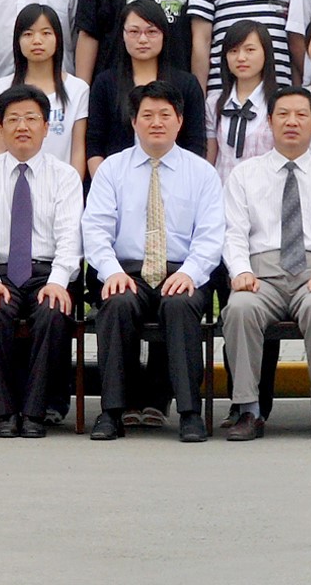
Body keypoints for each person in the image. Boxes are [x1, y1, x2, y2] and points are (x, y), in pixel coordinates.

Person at [217, 83, 311, 438]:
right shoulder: (244, 175)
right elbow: (232, 233)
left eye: (301, 115)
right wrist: (240, 271)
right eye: (283, 114)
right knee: (239, 308)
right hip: (261, 276)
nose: (292, 122)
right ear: (269, 121)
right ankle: (248, 410)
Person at [81, 89, 223, 440]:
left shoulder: (202, 173)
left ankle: (189, 412)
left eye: (165, 115)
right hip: (127, 270)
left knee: (179, 306)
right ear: (134, 122)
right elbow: (95, 228)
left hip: (181, 270)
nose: (156, 122)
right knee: (117, 304)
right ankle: (112, 412)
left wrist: (190, 272)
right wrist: (111, 271)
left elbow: (211, 235)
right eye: (147, 115)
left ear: (180, 121)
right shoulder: (112, 169)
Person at [0, 87, 86, 437]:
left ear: (46, 127)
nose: (22, 126)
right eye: (13, 119)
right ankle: (4, 411)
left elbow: (70, 237)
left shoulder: (65, 176)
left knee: (53, 311)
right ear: (0, 128)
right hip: (1, 272)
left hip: (47, 272)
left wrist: (58, 281)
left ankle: (35, 412)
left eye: (31, 118)